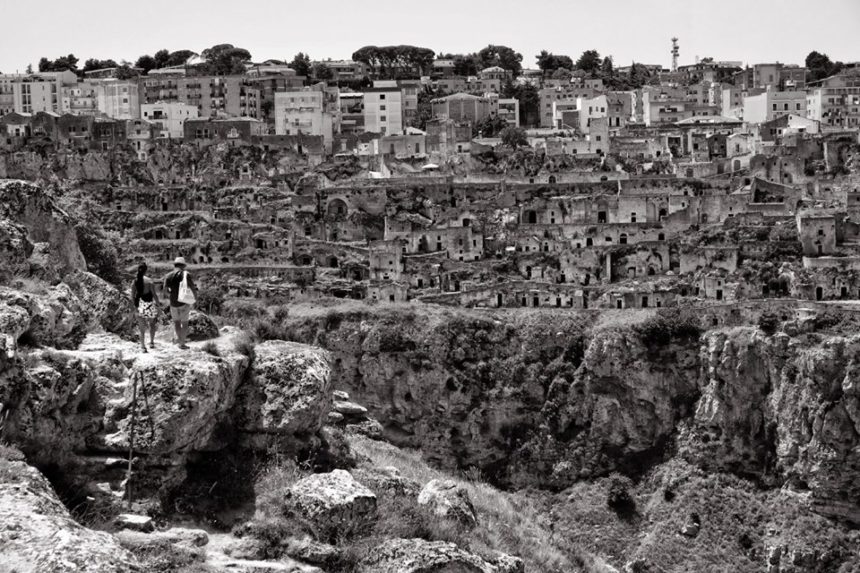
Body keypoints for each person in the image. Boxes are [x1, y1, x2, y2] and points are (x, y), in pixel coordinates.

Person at [162, 257, 198, 349]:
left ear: (175, 265)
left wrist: (172, 294)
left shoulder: (168, 276)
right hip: (184, 302)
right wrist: (195, 299)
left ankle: (179, 342)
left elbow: (165, 291)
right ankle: (182, 343)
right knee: (185, 323)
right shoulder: (186, 274)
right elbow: (193, 288)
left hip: (173, 303)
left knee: (177, 323)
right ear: (183, 266)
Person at [131, 263, 161, 352]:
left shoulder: (134, 281)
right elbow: (154, 295)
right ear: (146, 270)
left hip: (139, 305)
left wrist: (134, 306)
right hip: (149, 305)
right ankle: (151, 342)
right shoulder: (149, 281)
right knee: (152, 324)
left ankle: (143, 346)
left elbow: (132, 295)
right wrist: (158, 305)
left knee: (141, 328)